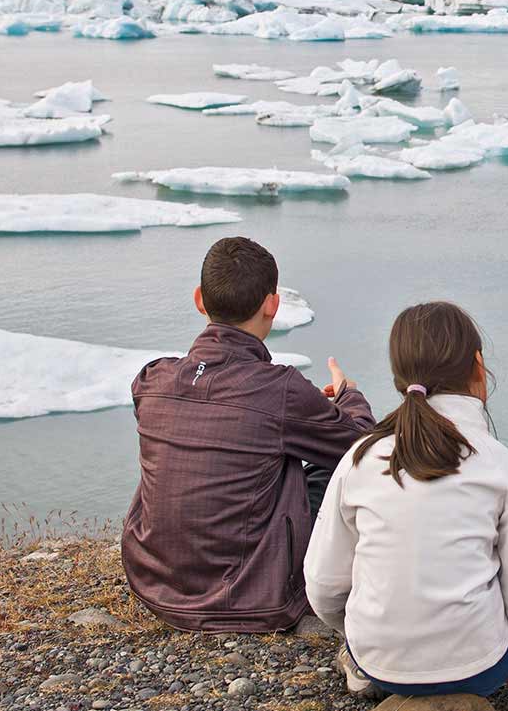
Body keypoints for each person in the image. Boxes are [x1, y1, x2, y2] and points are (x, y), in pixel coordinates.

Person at [305, 302, 508, 711]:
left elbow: (323, 584)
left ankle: (365, 670)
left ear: (400, 377)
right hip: (479, 671)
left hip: (379, 663)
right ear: (478, 367)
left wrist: (359, 636)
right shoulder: (499, 464)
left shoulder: (360, 459)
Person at [122, 236, 375, 632]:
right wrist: (350, 396)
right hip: (253, 599)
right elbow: (362, 445)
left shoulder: (152, 380)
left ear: (199, 300)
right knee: (337, 472)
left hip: (154, 587)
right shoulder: (281, 389)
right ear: (272, 305)